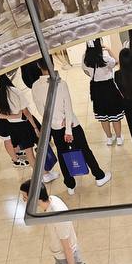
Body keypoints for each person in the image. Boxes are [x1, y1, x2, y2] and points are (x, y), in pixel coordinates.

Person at [30, 59, 111, 190]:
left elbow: (41, 111)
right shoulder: (61, 84)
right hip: (71, 125)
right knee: (84, 150)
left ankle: (70, 185)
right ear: (52, 64)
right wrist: (68, 130)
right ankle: (99, 176)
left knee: (62, 155)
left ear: (39, 65)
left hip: (55, 127)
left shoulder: (35, 86)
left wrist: (56, 121)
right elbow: (68, 108)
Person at [82, 39, 125, 146]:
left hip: (96, 88)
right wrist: (109, 50)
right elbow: (117, 62)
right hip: (109, 87)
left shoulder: (85, 58)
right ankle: (119, 138)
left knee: (102, 115)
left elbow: (85, 71)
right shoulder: (105, 58)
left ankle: (109, 138)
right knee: (114, 113)